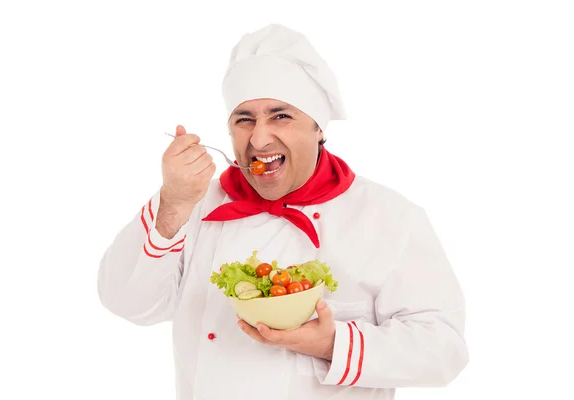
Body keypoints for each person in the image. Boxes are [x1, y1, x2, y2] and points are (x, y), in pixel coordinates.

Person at [97, 23, 469, 400]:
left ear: (318, 128)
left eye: (281, 116)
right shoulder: (194, 206)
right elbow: (127, 303)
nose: (259, 139)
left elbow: (443, 350)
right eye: (244, 119)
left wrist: (333, 344)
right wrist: (172, 204)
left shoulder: (389, 217)